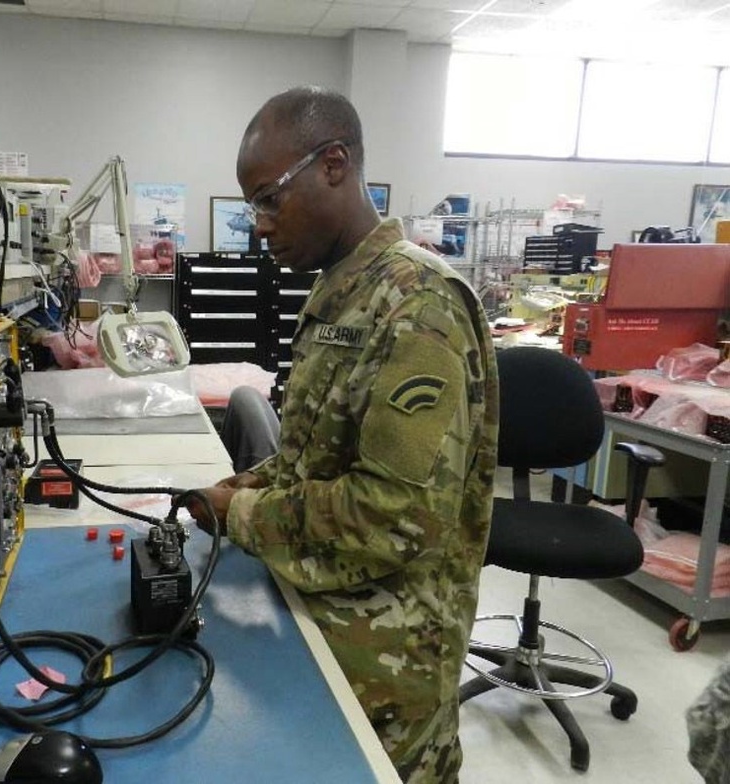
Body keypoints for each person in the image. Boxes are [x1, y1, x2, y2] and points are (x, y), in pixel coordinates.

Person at [186, 86, 499, 784]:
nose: (259, 227)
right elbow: (312, 455)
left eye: (268, 199)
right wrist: (240, 486)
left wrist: (241, 514)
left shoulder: (419, 306)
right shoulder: (339, 289)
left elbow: (392, 515)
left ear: (334, 164)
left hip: (389, 663)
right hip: (322, 609)